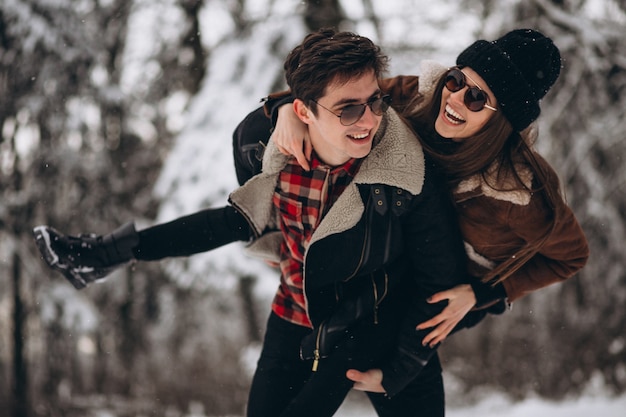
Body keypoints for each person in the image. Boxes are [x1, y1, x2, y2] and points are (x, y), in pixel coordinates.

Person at [33, 28, 474, 417]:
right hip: (296, 313)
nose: (371, 120)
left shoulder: (406, 173)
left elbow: (440, 282)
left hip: (376, 321)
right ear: (303, 112)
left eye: (374, 101)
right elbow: (234, 221)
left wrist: (398, 371)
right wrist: (113, 251)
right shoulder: (261, 145)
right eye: (348, 109)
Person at [255, 28, 590, 391]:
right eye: (456, 79)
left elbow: (570, 257)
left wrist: (488, 294)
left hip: (427, 296)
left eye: (477, 98)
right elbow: (331, 96)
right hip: (375, 256)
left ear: (502, 119)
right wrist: (287, 109)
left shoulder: (518, 193)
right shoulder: (416, 97)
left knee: (367, 372)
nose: (456, 97)